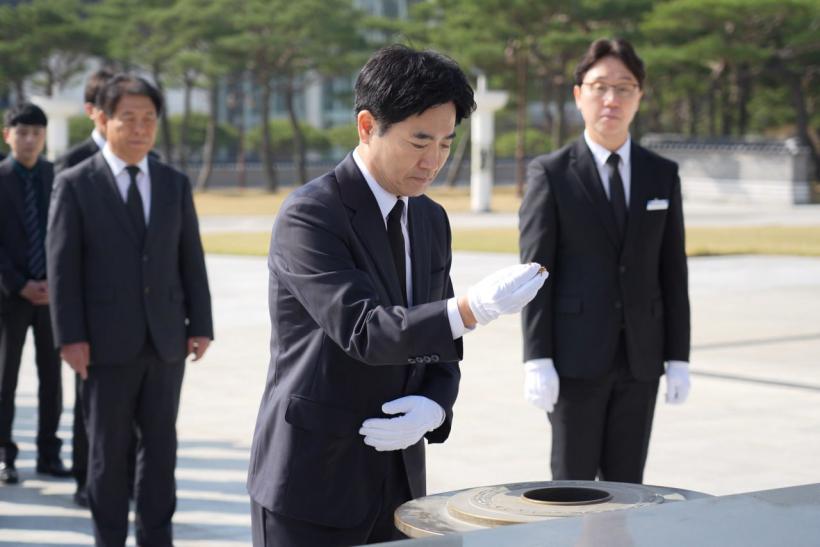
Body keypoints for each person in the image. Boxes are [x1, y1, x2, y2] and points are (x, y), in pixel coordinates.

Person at [247, 44, 546, 546]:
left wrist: (435, 404)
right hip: (312, 480)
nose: (433, 162)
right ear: (367, 126)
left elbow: (439, 344)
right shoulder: (311, 214)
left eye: (446, 144)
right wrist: (471, 308)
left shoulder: (429, 217)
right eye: (419, 141)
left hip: (401, 483)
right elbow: (364, 329)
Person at [47, 74, 213, 546]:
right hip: (103, 346)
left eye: (149, 119)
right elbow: (63, 269)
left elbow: (190, 258)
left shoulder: (173, 182)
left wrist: (201, 324)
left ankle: (157, 539)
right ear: (102, 119)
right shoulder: (75, 184)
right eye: (128, 118)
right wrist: (70, 338)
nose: (140, 129)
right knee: (107, 454)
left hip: (165, 342)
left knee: (161, 451)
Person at [519, 38, 691, 484]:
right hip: (573, 359)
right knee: (572, 486)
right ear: (579, 95)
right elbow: (535, 274)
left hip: (641, 359)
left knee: (629, 487)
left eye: (624, 87)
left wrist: (678, 357)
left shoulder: (662, 174)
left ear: (639, 96)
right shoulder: (551, 173)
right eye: (599, 87)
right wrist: (537, 358)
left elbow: (673, 272)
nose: (611, 99)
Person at [53, 68, 123, 508]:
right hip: (92, 310)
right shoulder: (72, 163)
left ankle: (124, 479)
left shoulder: (151, 163)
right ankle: (87, 478)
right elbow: (61, 247)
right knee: (89, 403)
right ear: (95, 112)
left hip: (136, 314)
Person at [0, 103, 71, 484]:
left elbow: (66, 235)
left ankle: (49, 453)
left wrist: (52, 283)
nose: (30, 140)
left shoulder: (58, 178)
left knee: (52, 379)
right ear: (7, 135)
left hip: (51, 298)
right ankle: (4, 455)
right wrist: (20, 284)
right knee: (4, 379)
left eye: (37, 134)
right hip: (8, 297)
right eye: (22, 133)